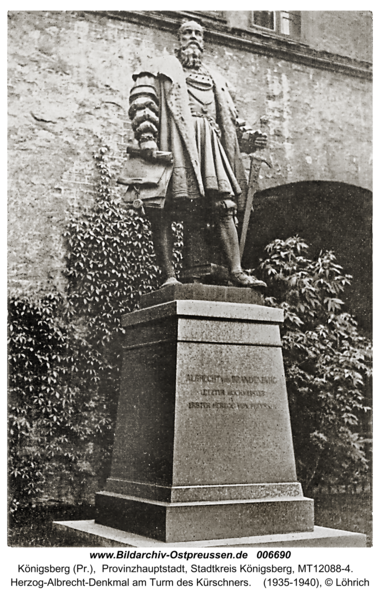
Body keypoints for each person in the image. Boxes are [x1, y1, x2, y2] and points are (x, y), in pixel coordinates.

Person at [128, 19, 267, 287]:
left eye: (198, 34)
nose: (193, 38)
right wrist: (146, 137)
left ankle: (236, 270)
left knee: (224, 207)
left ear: (203, 42)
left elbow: (231, 121)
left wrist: (249, 138)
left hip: (210, 146)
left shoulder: (217, 80)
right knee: (164, 207)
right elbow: (143, 98)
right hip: (176, 143)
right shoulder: (160, 68)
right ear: (178, 40)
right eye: (187, 33)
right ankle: (169, 276)